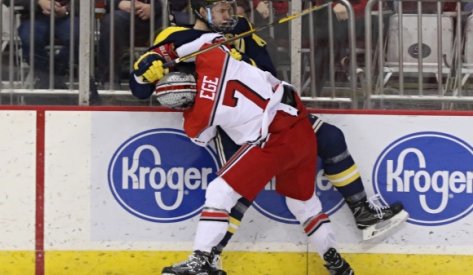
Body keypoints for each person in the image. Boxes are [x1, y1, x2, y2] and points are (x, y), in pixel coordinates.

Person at [131, 0, 407, 243]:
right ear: (201, 10)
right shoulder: (176, 37)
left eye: (231, 7)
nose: (230, 14)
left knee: (331, 137)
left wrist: (243, 60)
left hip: (272, 112)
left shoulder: (241, 29)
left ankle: (363, 212)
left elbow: (269, 70)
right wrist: (144, 73)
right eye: (221, 9)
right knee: (241, 189)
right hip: (233, 125)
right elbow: (140, 88)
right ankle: (211, 253)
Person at [159, 34, 354, 275]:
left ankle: (200, 260)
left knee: (219, 191)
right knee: (303, 204)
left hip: (273, 140)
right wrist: (170, 53)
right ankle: (336, 262)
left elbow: (203, 137)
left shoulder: (196, 118)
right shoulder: (214, 58)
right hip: (301, 128)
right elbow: (212, 38)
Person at [3, 0, 80, 89]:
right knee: (30, 39)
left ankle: (48, 77)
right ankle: (54, 78)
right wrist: (38, 2)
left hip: (69, 16)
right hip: (33, 17)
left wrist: (68, 9)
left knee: (79, 37)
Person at [97, 0, 162, 89]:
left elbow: (178, 3)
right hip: (123, 14)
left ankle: (173, 81)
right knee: (111, 22)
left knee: (177, 25)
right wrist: (119, 3)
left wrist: (155, 7)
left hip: (160, 15)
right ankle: (110, 81)